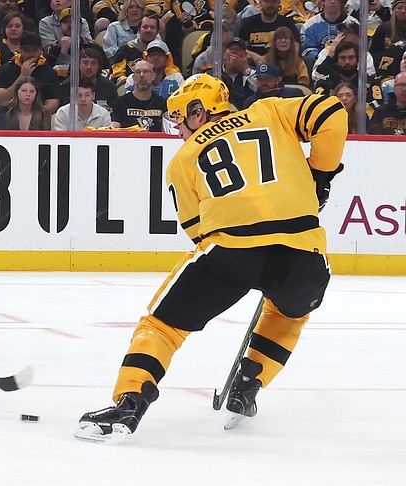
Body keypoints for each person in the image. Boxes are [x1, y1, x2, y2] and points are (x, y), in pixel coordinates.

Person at [75, 73, 347, 442]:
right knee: (286, 314)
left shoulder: (183, 159)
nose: (179, 128)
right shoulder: (269, 112)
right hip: (303, 253)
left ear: (198, 111)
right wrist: (320, 175)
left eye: (179, 117)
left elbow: (198, 231)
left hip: (232, 251)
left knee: (162, 327)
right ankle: (248, 386)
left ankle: (130, 401)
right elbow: (331, 111)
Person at [0, 32, 62, 113]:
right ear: (20, 50)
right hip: (11, 113)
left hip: (39, 115)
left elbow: (53, 102)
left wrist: (33, 114)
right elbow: (1, 100)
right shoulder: (5, 69)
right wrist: (22, 76)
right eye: (27, 50)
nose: (31, 54)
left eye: (35, 50)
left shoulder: (49, 72)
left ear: (41, 50)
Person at [110, 59, 167, 130]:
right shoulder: (120, 103)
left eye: (145, 71)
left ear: (153, 76)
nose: (142, 75)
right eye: (138, 72)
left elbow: (166, 131)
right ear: (133, 77)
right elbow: (114, 129)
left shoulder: (162, 104)